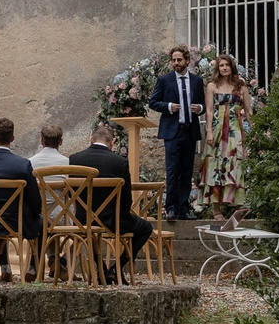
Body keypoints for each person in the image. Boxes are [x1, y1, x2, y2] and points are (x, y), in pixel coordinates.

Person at [71, 120, 155, 279]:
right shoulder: (120, 162)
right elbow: (126, 200)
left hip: (83, 219)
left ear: (91, 139)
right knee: (145, 228)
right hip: (112, 219)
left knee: (87, 230)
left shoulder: (75, 159)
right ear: (112, 143)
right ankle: (116, 267)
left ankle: (101, 268)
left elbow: (71, 194)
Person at [150, 44, 207, 220]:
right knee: (173, 170)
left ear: (187, 61)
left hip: (189, 131)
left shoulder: (196, 81)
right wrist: (168, 106)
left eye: (179, 60)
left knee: (187, 171)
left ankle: (184, 208)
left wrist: (200, 108)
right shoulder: (164, 80)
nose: (176, 63)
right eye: (173, 60)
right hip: (172, 132)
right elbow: (153, 102)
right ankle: (171, 208)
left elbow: (203, 105)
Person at [0, 117, 44, 280]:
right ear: (13, 138)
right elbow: (35, 201)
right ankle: (32, 268)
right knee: (43, 224)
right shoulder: (22, 164)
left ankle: (5, 267)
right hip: (17, 222)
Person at [201, 55, 257, 221]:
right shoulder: (212, 86)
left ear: (232, 67)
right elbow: (209, 111)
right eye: (221, 66)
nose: (224, 68)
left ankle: (239, 207)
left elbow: (248, 111)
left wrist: (254, 131)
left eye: (227, 65)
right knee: (215, 166)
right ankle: (216, 209)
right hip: (218, 130)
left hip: (235, 130)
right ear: (217, 68)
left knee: (236, 164)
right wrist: (209, 131)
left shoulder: (241, 86)